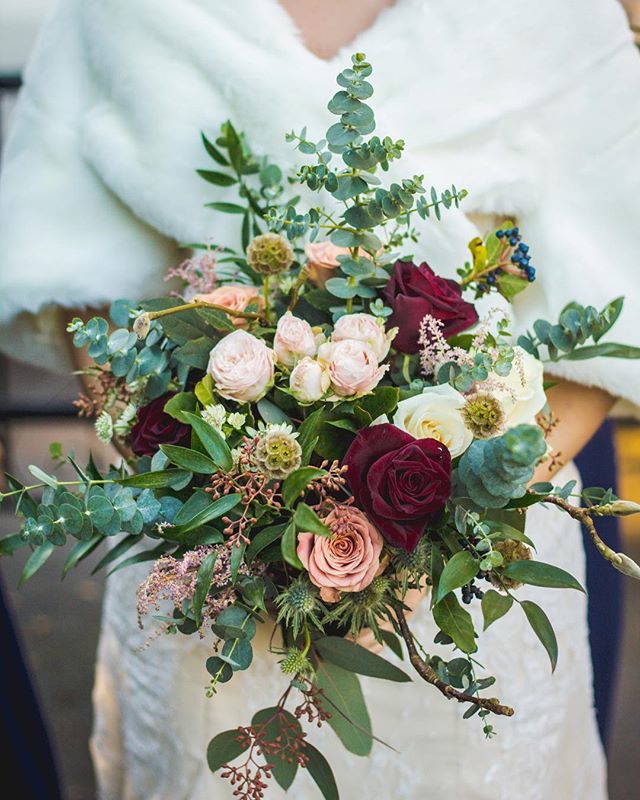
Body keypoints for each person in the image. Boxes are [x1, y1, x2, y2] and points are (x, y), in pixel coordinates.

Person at [0, 1, 639, 797]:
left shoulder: (558, 16)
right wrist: (222, 512)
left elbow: (610, 303)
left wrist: (454, 517)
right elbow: (83, 293)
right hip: (205, 551)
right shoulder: (117, 13)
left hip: (477, 559)